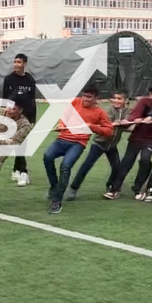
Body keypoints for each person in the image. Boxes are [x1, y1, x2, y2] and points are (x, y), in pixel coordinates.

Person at [43, 85, 113, 214]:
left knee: (65, 166)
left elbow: (109, 131)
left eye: (89, 97)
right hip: (62, 139)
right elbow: (65, 116)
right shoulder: (75, 102)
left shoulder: (100, 112)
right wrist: (61, 125)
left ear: (96, 98)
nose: (85, 99)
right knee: (47, 157)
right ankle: (54, 186)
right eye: (84, 96)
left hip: (78, 143)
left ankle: (56, 200)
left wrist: (92, 126)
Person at [67, 89, 131, 201]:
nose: (116, 101)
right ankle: (73, 188)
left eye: (119, 99)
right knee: (86, 166)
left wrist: (127, 124)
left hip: (112, 145)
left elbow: (129, 123)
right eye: (115, 98)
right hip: (99, 143)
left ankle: (111, 187)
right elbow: (104, 124)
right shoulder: (108, 110)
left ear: (126, 100)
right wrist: (114, 123)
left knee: (117, 167)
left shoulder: (128, 111)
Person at [107, 84, 152, 200]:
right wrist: (130, 120)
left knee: (145, 160)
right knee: (126, 163)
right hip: (137, 137)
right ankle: (114, 189)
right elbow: (136, 113)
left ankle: (137, 188)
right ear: (150, 94)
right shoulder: (144, 101)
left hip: (151, 140)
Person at [2, 53, 37, 187]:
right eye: (15, 62)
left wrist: (33, 119)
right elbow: (4, 99)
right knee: (18, 144)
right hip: (12, 117)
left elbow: (33, 101)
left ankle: (22, 172)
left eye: (19, 62)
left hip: (26, 117)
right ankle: (18, 170)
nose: (16, 64)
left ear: (25, 64)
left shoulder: (30, 80)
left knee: (22, 144)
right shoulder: (8, 79)